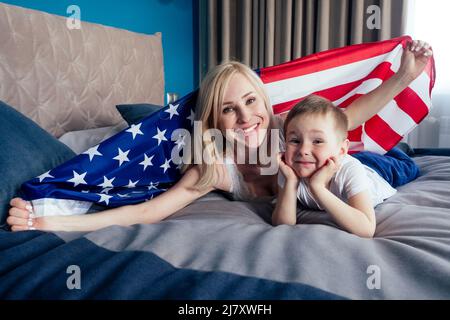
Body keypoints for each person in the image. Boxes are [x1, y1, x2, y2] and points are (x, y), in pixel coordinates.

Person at [7, 40, 433, 232]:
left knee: (398, 161)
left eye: (251, 102)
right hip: (312, 185)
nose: (246, 117)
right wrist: (49, 221)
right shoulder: (212, 166)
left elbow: (349, 116)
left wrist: (403, 77)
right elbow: (145, 213)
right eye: (229, 109)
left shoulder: (286, 130)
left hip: (351, 168)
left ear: (265, 105)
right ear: (214, 120)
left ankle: (401, 152)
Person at [272, 95, 402, 238]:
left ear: (341, 149)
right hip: (334, 160)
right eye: (295, 140)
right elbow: (283, 224)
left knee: (405, 166)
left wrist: (318, 188)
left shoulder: (351, 170)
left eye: (317, 141)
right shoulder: (289, 170)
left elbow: (366, 229)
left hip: (378, 172)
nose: (303, 150)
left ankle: (401, 149)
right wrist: (291, 182)